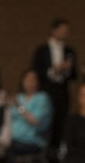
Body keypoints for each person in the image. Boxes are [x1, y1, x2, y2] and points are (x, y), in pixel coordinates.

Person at [32, 18, 77, 151]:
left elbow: (74, 75)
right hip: (46, 90)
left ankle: (55, 155)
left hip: (62, 91)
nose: (64, 33)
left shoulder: (69, 51)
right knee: (45, 122)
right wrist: (53, 70)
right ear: (54, 30)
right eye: (62, 30)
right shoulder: (42, 50)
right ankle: (42, 154)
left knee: (60, 123)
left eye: (66, 31)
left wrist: (67, 69)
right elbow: (36, 71)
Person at [6, 68, 53, 163]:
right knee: (0, 147)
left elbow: (35, 121)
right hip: (13, 138)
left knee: (8, 150)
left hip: (32, 140)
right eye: (27, 79)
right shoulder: (19, 97)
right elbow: (9, 119)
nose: (30, 82)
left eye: (33, 80)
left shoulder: (42, 98)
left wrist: (19, 107)